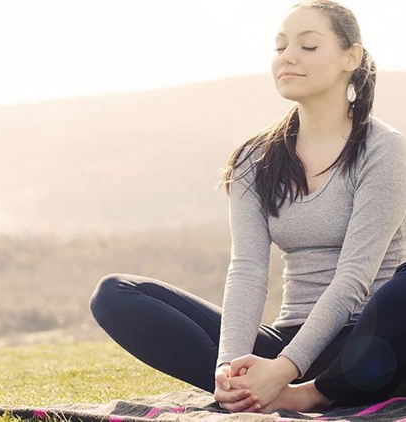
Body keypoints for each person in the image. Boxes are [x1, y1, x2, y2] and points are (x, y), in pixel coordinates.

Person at [89, 0, 406, 415]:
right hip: (286, 339)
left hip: (369, 340)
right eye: (280, 47)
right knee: (114, 294)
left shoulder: (384, 151)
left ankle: (311, 393)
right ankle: (242, 391)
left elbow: (354, 278)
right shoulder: (254, 159)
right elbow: (248, 270)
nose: (287, 57)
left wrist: (285, 369)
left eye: (308, 46)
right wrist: (230, 363)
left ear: (352, 57)